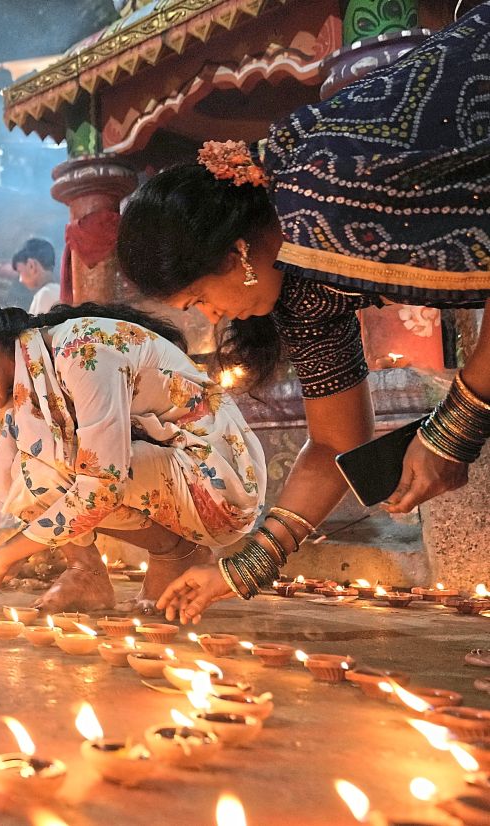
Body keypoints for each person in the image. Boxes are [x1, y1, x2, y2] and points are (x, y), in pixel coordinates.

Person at [114, 6, 490, 622]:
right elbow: (335, 442)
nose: (211, 316)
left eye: (198, 300)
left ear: (235, 253)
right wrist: (245, 566)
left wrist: (454, 429)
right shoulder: (302, 291)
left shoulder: (328, 186)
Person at [0, 299, 266, 612]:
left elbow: (101, 486)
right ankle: (86, 572)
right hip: (175, 469)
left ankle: (177, 553)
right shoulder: (22, 379)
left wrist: (3, 558)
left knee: (54, 466)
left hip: (218, 482)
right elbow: (18, 485)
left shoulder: (82, 351)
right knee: (31, 470)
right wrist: (11, 554)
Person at [13, 238, 60, 315]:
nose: (20, 280)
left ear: (31, 265)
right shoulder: (60, 291)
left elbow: (39, 327)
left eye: (20, 272)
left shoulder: (45, 294)